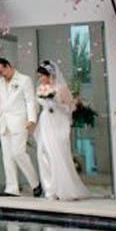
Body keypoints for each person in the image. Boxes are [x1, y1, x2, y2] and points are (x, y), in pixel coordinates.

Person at [34, 61, 89, 200]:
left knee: (58, 153)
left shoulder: (61, 88)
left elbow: (70, 106)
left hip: (58, 121)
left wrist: (57, 103)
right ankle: (50, 188)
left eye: (41, 75)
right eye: (39, 76)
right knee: (44, 152)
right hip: (46, 121)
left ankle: (63, 188)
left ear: (49, 74)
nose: (40, 78)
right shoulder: (40, 88)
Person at [0, 58, 40, 197]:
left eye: (2, 71)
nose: (1, 75)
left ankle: (35, 184)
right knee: (7, 157)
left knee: (18, 153)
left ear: (8, 66)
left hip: (19, 122)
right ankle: (12, 188)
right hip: (4, 123)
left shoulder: (24, 80)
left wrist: (31, 119)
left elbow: (30, 100)